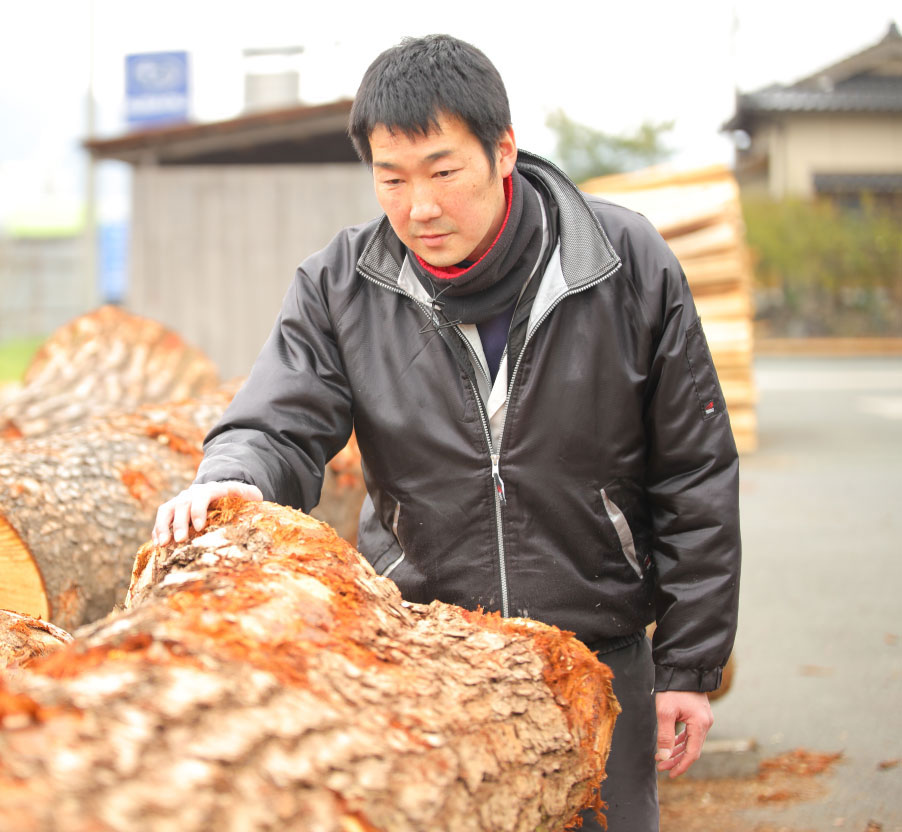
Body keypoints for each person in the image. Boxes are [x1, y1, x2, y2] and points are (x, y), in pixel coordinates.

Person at [152, 34, 740, 831]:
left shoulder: (623, 262)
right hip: (424, 663)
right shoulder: (341, 284)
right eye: (391, 179)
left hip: (597, 660)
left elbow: (693, 472)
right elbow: (279, 418)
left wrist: (688, 666)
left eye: (442, 171)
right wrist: (234, 475)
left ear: (503, 151)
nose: (418, 208)